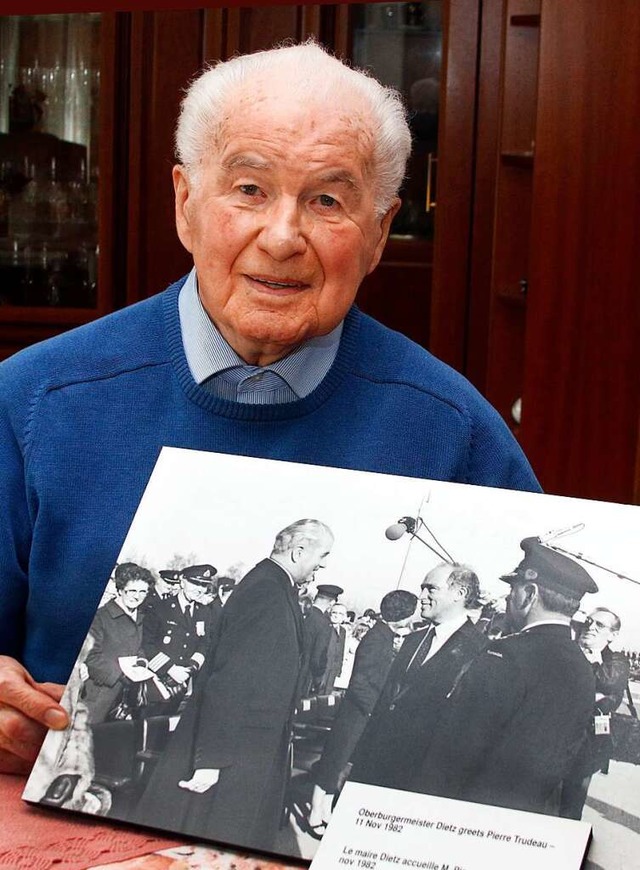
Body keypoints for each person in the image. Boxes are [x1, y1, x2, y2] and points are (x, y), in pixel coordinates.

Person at [0, 40, 539, 776]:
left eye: (327, 200)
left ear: (379, 233)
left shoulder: (454, 430)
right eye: (249, 189)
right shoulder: (34, 401)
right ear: (186, 203)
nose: (283, 237)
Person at [131, 518, 334, 852]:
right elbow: (232, 678)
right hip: (234, 754)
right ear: (299, 551)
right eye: (322, 555)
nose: (323, 564)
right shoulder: (267, 591)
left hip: (245, 749)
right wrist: (211, 759)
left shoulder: (273, 586)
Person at [416, 538, 598, 814]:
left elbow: (454, 747)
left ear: (529, 594)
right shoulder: (584, 669)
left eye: (513, 590)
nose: (507, 597)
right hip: (526, 818)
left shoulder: (506, 655)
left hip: (466, 812)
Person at [350, 563, 486, 791]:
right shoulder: (414, 640)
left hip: (419, 780)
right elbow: (386, 702)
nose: (421, 596)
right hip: (373, 769)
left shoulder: (479, 650)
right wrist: (355, 761)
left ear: (459, 594)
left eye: (430, 589)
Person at [307, 588, 418, 836]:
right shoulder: (378, 639)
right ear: (403, 615)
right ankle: (315, 812)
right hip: (356, 715)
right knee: (332, 762)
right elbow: (361, 683)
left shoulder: (383, 635)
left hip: (361, 714)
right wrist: (375, 710)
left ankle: (325, 811)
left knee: (339, 765)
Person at [560, 607, 630, 819]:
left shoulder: (617, 662)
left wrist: (590, 661)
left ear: (613, 635)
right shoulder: (565, 649)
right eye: (589, 621)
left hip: (585, 747)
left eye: (600, 625)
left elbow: (607, 683)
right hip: (549, 739)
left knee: (568, 810)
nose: (591, 627)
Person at [81, 563, 152, 725]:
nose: (137, 596)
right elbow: (91, 656)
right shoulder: (100, 617)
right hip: (100, 695)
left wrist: (141, 663)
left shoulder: (140, 616)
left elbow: (139, 647)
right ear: (120, 590)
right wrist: (121, 675)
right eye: (132, 591)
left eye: (143, 592)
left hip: (127, 696)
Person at [142, 564, 217, 713]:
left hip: (182, 684)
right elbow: (146, 644)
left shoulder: (204, 613)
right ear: (182, 581)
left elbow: (204, 643)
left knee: (165, 729)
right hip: (156, 682)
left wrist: (191, 667)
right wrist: (170, 669)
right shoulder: (159, 608)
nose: (200, 589)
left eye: (204, 585)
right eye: (195, 583)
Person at [302, 583, 344, 696]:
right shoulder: (324, 624)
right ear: (331, 603)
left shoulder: (304, 615)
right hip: (306, 680)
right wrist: (319, 680)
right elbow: (318, 658)